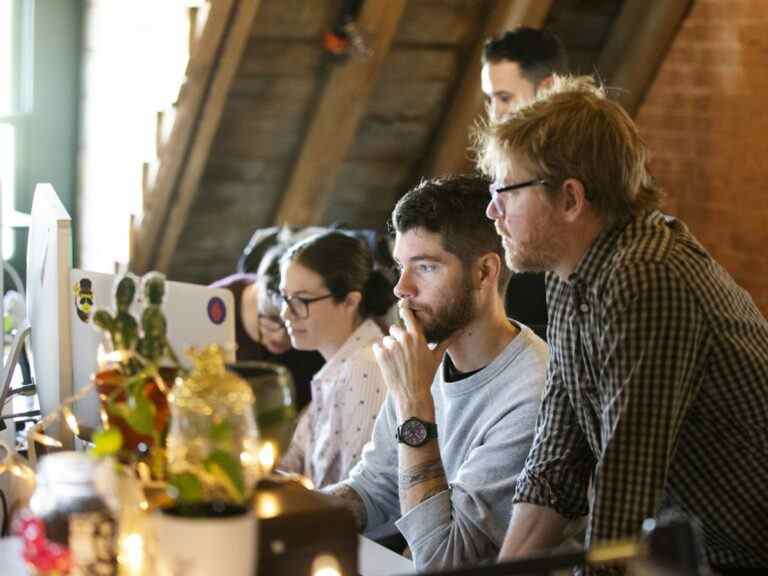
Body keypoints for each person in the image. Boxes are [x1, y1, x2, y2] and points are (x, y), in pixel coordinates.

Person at [477, 75, 768, 574]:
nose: (492, 210)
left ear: (570, 199)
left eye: (506, 190)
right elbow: (556, 462)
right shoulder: (570, 274)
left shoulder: (646, 276)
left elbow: (624, 492)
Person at [323, 175, 548, 571]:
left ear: (484, 273)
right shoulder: (424, 360)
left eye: (425, 267)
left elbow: (444, 561)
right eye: (400, 267)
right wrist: (292, 513)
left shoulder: (533, 392)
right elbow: (376, 489)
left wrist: (414, 405)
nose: (401, 289)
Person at [277, 230, 395, 489]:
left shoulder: (366, 367)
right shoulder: (337, 365)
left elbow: (355, 491)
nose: (286, 313)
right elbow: (293, 458)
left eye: (302, 300)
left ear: (350, 301)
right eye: (284, 297)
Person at [481, 27, 568, 335]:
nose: (495, 113)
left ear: (548, 89)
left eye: (504, 97)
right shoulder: (501, 165)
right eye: (490, 99)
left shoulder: (579, 165)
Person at [210, 243, 324, 410]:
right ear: (257, 288)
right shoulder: (216, 302)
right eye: (272, 319)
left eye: (294, 320)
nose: (281, 337)